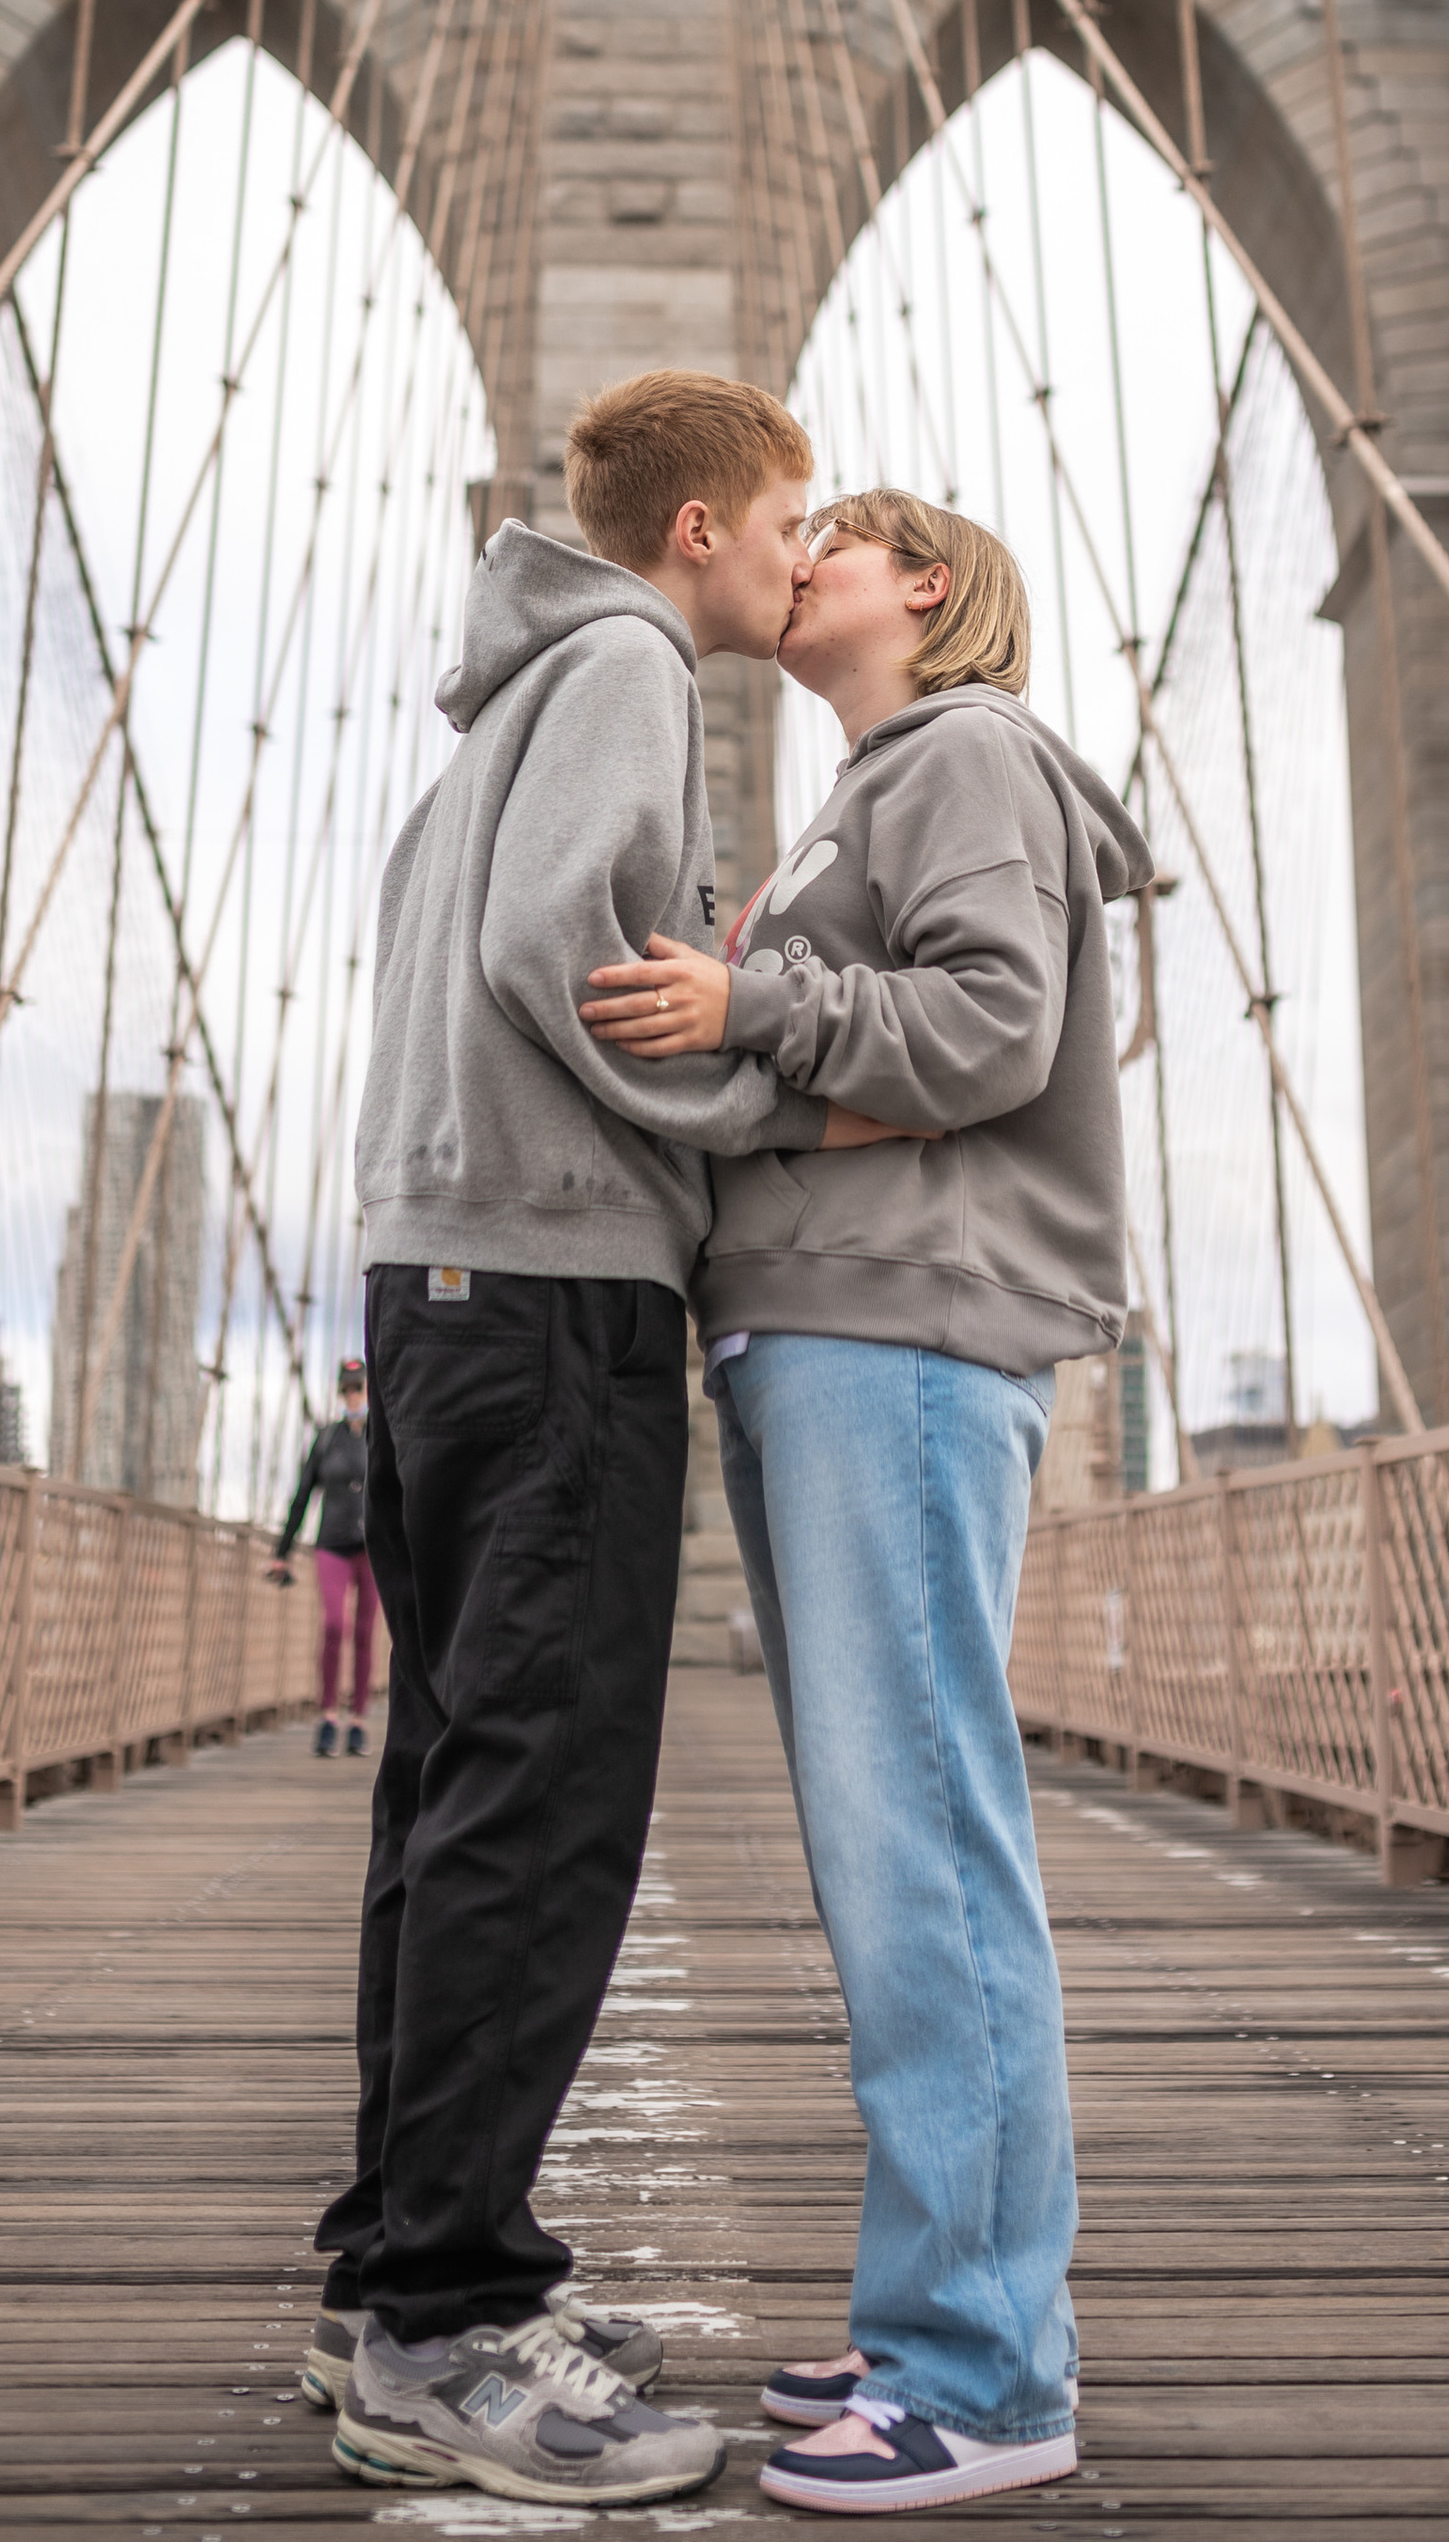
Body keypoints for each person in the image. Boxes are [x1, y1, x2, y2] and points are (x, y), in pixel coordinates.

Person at [311, 372, 900, 2512]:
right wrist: (756, 1099)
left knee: (457, 1785)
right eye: (784, 519)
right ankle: (448, 2325)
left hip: (439, 1290)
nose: (793, 553)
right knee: (545, 1802)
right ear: (694, 534)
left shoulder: (510, 695)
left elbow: (489, 949)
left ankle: (399, 2275)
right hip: (550, 1290)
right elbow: (561, 952)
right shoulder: (634, 664)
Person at [583, 488, 1149, 2516]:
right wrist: (776, 1051)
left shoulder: (964, 748)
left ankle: (983, 2372)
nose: (790, 553)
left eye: (832, 535)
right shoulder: (865, 789)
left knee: (922, 1843)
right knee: (885, 1842)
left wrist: (752, 1014)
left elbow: (993, 1025)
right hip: (825, 1331)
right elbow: (901, 1044)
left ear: (923, 586)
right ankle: (944, 2298)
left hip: (900, 1342)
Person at [269, 1357, 376, 1759]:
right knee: (334, 1625)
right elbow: (301, 1495)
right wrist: (282, 1552)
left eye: (359, 1388)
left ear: (370, 1390)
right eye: (347, 1389)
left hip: (372, 1548)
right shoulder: (326, 1438)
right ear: (340, 1392)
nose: (353, 1395)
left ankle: (359, 1722)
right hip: (331, 1544)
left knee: (365, 1634)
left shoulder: (382, 1435)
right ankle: (328, 1716)